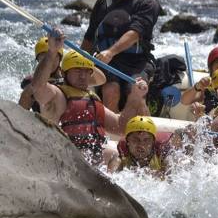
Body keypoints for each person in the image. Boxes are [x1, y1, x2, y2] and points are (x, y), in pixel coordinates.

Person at [31, 29, 150, 165]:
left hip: (91, 159)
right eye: (77, 71)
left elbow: (121, 128)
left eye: (86, 72)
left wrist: (134, 97)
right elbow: (37, 87)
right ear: (64, 74)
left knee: (113, 156)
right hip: (62, 158)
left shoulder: (92, 99)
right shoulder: (57, 94)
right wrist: (52, 52)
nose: (82, 76)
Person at [81, 0, 161, 113]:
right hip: (107, 63)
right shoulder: (103, 3)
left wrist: (110, 52)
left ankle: (142, 130)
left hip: (138, 62)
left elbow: (135, 33)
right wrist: (79, 62)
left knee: (137, 91)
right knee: (110, 90)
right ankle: (112, 133)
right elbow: (90, 37)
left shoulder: (147, 3)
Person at [108, 115, 195, 176]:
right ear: (128, 142)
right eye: (135, 139)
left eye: (146, 140)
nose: (141, 144)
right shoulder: (122, 152)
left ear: (153, 142)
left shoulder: (163, 150)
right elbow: (110, 177)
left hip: (177, 140)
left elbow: (169, 178)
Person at [181, 45, 218, 116]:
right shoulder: (207, 85)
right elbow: (184, 101)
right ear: (211, 70)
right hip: (209, 122)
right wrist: (197, 87)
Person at [19, 37, 63, 112]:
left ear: (60, 59)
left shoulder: (67, 79)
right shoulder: (30, 81)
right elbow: (22, 107)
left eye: (54, 56)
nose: (50, 61)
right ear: (38, 60)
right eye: (45, 57)